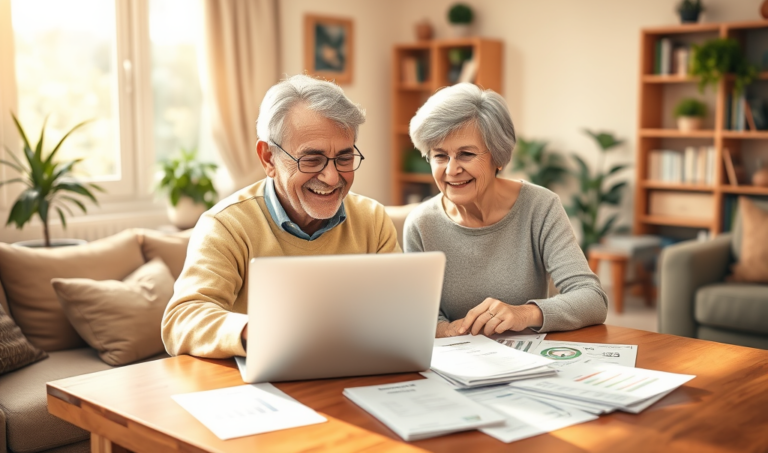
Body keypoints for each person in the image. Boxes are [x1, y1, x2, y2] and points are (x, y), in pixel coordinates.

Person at [162, 75, 401, 358]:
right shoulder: (226, 225)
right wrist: (256, 330)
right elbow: (181, 319)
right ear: (268, 158)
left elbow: (402, 310)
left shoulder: (372, 219)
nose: (332, 176)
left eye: (344, 159)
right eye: (311, 159)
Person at [403, 83, 607, 338]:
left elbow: (592, 298)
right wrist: (449, 329)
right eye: (440, 156)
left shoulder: (540, 207)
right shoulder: (421, 224)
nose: (451, 170)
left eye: (466, 154)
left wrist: (524, 313)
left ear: (498, 157)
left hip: (529, 359)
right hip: (457, 362)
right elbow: (422, 315)